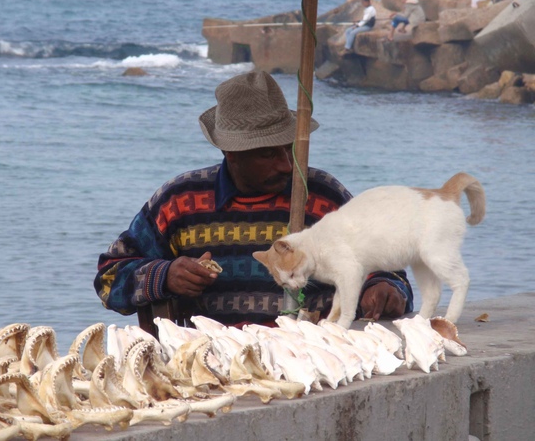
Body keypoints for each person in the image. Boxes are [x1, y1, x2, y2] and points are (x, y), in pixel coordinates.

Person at [94, 71, 414, 328]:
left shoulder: (323, 197)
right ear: (230, 153)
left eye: (289, 148)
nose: (287, 165)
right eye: (268, 154)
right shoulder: (178, 201)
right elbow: (108, 280)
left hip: (314, 364)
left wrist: (383, 286)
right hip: (208, 369)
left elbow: (390, 270)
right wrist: (165, 275)